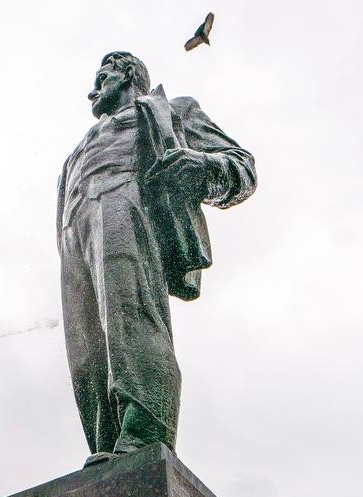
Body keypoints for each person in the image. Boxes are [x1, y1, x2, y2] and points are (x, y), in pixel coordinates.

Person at [58, 52, 255, 465]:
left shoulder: (171, 110)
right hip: (75, 229)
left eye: (102, 76)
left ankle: (145, 435)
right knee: (86, 346)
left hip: (127, 202)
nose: (92, 89)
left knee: (130, 316)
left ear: (127, 74)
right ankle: (106, 444)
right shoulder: (76, 150)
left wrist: (201, 167)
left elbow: (242, 168)